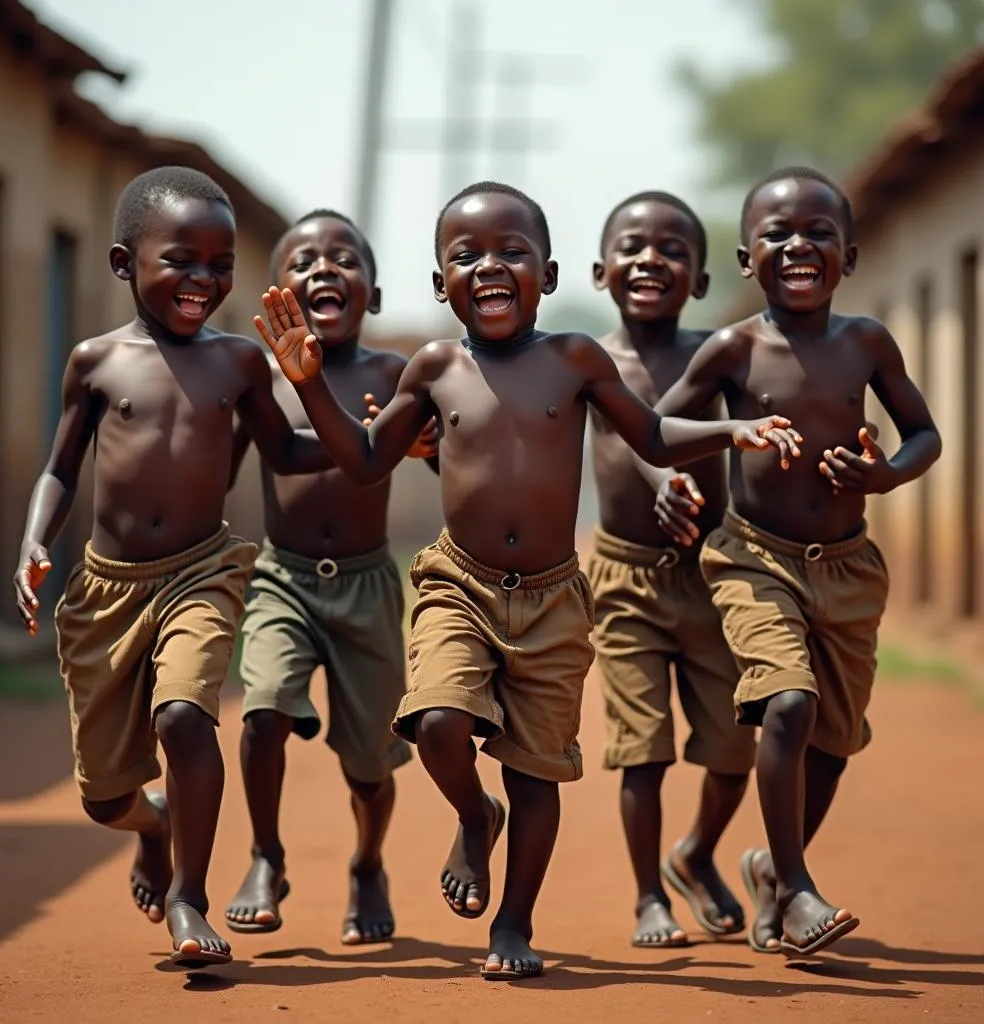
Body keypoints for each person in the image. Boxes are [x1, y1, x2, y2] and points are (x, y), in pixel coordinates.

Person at [252, 180, 799, 980]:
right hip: (458, 584)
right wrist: (305, 383)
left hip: (551, 596)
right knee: (438, 718)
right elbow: (366, 460)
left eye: (512, 251)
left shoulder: (575, 358)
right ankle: (475, 818)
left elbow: (648, 432)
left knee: (537, 766)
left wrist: (731, 429)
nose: (490, 265)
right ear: (442, 284)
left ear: (544, 271)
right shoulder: (435, 366)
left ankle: (514, 921)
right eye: (466, 254)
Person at [13, 166, 338, 969]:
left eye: (220, 265)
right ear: (125, 264)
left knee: (186, 716)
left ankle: (190, 898)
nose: (204, 281)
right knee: (103, 798)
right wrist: (34, 539)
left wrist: (336, 411)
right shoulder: (95, 363)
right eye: (181, 262)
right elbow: (60, 468)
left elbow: (289, 450)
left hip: (203, 570)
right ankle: (153, 824)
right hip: (106, 589)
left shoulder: (238, 364)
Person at [651, 166, 941, 956]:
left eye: (818, 232)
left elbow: (924, 434)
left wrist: (884, 474)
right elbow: (653, 431)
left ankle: (772, 875)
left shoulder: (866, 343)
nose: (798, 244)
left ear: (848, 252)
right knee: (787, 704)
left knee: (835, 743)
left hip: (848, 567)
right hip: (755, 559)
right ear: (747, 259)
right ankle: (801, 882)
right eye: (776, 233)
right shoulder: (733, 347)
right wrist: (713, 446)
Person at [223, 210, 438, 944]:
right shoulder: (261, 380)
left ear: (371, 295)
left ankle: (368, 863)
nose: (324, 267)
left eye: (344, 258)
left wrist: (420, 441)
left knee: (370, 764)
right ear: (279, 292)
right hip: (282, 578)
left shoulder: (394, 374)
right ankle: (265, 855)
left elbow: (437, 454)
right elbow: (245, 463)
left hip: (367, 582)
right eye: (305, 259)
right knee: (263, 708)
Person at [587, 191, 755, 948]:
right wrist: (667, 482)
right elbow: (635, 440)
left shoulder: (715, 354)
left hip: (716, 575)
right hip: (626, 581)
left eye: (673, 250)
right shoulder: (590, 361)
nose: (651, 259)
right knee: (642, 751)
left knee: (733, 744)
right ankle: (648, 894)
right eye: (632, 246)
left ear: (701, 279)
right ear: (600, 272)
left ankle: (696, 852)